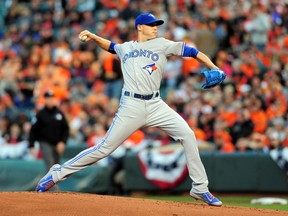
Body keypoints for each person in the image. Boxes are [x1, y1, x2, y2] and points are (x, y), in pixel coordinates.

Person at [36, 13, 224, 206]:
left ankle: (200, 188)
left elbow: (193, 52)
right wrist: (93, 37)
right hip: (131, 106)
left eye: (156, 25)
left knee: (188, 135)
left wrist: (214, 66)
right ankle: (57, 173)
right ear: (140, 27)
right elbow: (110, 46)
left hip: (156, 104)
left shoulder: (162, 44)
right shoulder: (126, 48)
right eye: (151, 25)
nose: (155, 28)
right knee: (104, 149)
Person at [29, 90, 69, 190]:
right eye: (48, 98)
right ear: (45, 100)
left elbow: (66, 129)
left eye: (52, 98)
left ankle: (46, 187)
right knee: (50, 164)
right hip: (44, 142)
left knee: (57, 166)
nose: (50, 100)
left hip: (57, 143)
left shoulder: (59, 113)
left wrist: (62, 142)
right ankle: (54, 190)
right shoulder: (41, 114)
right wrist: (31, 144)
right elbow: (33, 130)